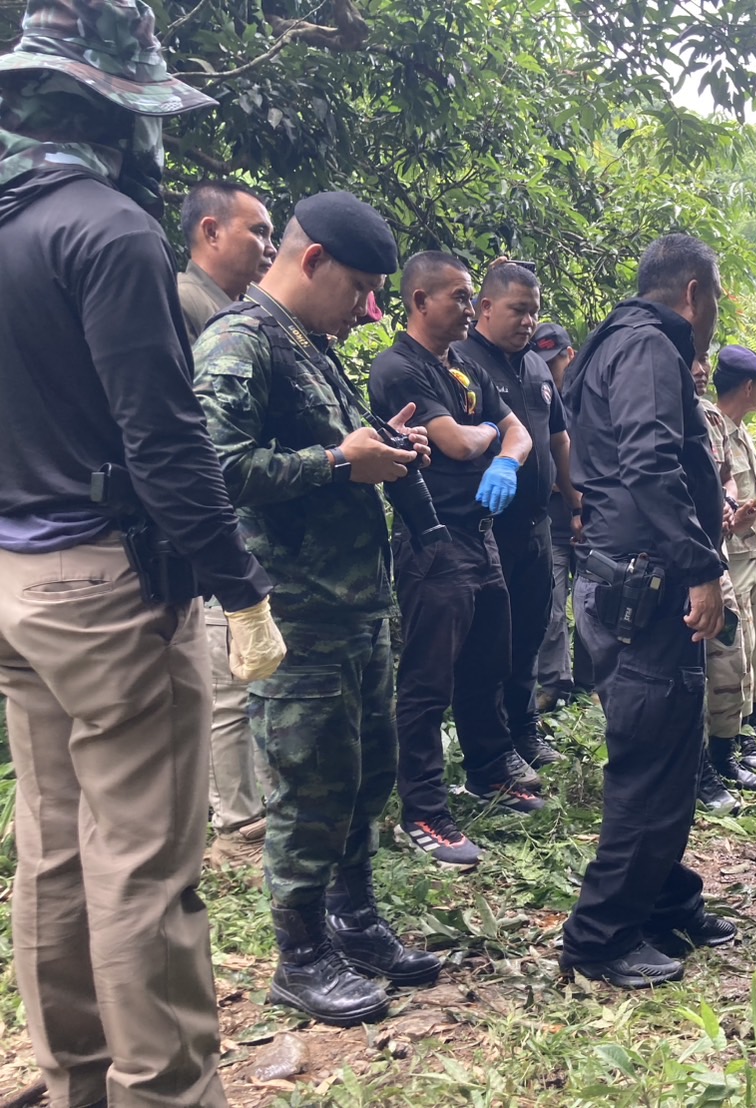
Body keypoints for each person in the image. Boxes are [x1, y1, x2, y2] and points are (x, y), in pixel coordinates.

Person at [0, 0, 286, 1100]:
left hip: (16, 582)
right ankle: (165, 1089)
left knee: (53, 844)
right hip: (106, 590)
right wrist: (239, 588)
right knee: (142, 861)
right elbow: (165, 443)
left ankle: (76, 1077)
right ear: (113, 108)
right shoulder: (109, 232)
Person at [195, 192, 442, 1024]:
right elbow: (215, 469)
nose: (366, 309)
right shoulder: (239, 341)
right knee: (308, 786)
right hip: (294, 611)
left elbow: (339, 445)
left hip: (356, 605)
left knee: (366, 772)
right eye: (359, 289)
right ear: (311, 261)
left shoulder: (311, 344)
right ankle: (298, 957)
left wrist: (385, 447)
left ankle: (354, 921)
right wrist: (339, 462)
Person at [559, 233, 735, 988]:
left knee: (669, 755)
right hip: (647, 587)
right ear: (694, 293)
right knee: (650, 766)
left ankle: (664, 900)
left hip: (629, 578)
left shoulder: (615, 340)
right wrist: (700, 568)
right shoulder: (648, 347)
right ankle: (599, 937)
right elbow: (649, 463)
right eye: (716, 298)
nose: (715, 314)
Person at [368, 251, 533, 869]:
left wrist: (505, 458)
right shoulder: (398, 368)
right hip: (432, 538)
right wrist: (491, 435)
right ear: (420, 300)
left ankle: (488, 772)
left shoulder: (465, 365)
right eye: (459, 297)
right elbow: (459, 442)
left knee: (489, 660)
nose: (469, 309)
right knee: (428, 678)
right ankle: (424, 809)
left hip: (480, 534)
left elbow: (521, 432)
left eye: (470, 297)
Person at [176, 178, 279, 874]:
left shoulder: (239, 310)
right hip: (216, 524)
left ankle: (254, 806)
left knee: (250, 675)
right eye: (256, 230)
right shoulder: (188, 304)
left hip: (245, 524)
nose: (268, 246)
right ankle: (234, 820)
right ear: (210, 231)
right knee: (228, 683)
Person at [455, 261, 576, 783]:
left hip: (537, 523)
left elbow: (558, 437)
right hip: (487, 526)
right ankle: (491, 747)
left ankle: (524, 729)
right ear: (485, 307)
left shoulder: (536, 368)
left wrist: (575, 500)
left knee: (530, 630)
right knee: (488, 643)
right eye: (518, 310)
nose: (528, 321)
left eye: (534, 311)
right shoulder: (462, 361)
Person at [712, 344, 756, 779]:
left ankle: (752, 725)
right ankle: (731, 737)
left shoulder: (742, 433)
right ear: (749, 387)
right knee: (738, 648)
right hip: (734, 556)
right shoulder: (714, 430)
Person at [533, 320, 594, 711]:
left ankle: (590, 684)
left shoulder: (588, 400)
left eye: (554, 361)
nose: (549, 369)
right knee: (552, 609)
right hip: (551, 525)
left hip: (590, 521)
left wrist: (577, 495)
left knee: (591, 607)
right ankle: (555, 686)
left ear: (568, 355)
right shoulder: (534, 401)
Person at [178, 179, 276, 342]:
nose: (272, 249)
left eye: (270, 236)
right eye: (259, 232)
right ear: (212, 232)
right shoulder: (180, 301)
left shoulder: (252, 311)